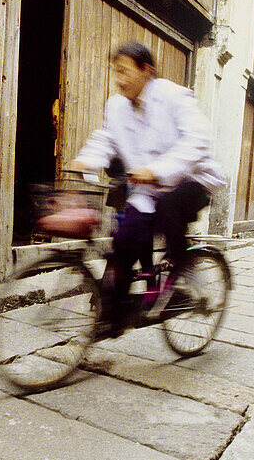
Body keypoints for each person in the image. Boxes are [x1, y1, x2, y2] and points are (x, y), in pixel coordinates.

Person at [70, 41, 226, 337]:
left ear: (146, 70)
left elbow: (197, 140)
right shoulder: (116, 105)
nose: (119, 79)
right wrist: (87, 160)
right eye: (116, 72)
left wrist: (157, 170)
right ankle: (115, 318)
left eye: (125, 71)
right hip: (146, 191)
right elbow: (107, 138)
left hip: (191, 180)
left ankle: (185, 272)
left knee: (169, 210)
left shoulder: (173, 96)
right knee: (123, 243)